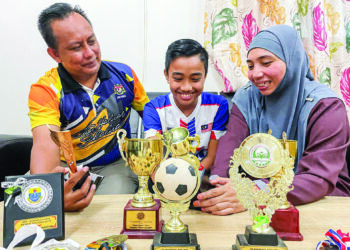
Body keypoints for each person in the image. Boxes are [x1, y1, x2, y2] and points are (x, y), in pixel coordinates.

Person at [193, 24, 350, 215]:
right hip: (253, 204)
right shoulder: (247, 97)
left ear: (292, 60)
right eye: (250, 66)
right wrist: (218, 187)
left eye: (266, 63)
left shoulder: (326, 107)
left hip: (321, 203)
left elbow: (317, 178)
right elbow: (229, 149)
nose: (255, 74)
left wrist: (256, 192)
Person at [28, 3, 149, 211]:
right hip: (68, 168)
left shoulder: (125, 75)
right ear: (55, 54)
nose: (90, 53)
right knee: (39, 205)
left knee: (108, 211)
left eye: (91, 41)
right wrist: (54, 199)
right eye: (76, 47)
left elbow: (153, 119)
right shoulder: (45, 90)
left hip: (115, 166)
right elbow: (44, 151)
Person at [142, 39, 229, 178]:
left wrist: (190, 179)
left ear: (205, 76)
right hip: (166, 179)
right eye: (178, 78)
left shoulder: (219, 106)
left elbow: (212, 158)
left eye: (195, 79)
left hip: (202, 177)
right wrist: (166, 185)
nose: (186, 87)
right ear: (167, 75)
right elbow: (153, 160)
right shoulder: (153, 109)